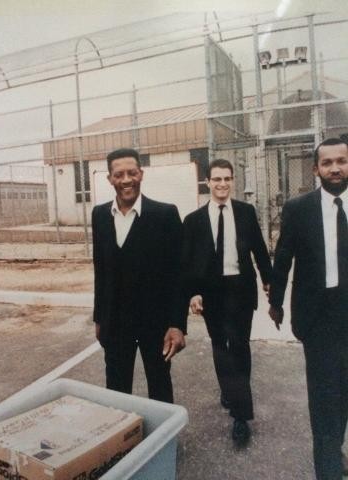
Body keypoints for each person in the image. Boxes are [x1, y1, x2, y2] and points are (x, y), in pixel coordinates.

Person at [269, 138, 348, 479]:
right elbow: (284, 257)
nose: (335, 168)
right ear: (315, 169)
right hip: (320, 319)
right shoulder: (298, 209)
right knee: (324, 401)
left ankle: (337, 450)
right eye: (327, 162)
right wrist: (275, 303)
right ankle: (328, 469)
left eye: (341, 161)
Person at [181, 158, 272, 445]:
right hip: (211, 292)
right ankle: (230, 389)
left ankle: (241, 416)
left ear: (233, 181)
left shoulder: (245, 212)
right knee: (221, 346)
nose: (222, 184)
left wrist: (270, 283)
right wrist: (192, 293)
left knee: (241, 345)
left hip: (240, 288)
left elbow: (259, 249)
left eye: (227, 179)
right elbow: (187, 262)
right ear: (207, 182)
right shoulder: (194, 220)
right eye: (216, 179)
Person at [92, 147, 186, 403]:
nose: (126, 180)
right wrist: (99, 318)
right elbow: (100, 270)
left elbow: (178, 275)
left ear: (141, 174)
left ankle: (164, 440)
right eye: (119, 174)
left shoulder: (165, 215)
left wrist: (177, 324)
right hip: (115, 323)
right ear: (109, 178)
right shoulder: (100, 215)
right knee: (117, 389)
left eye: (131, 173)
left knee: (159, 387)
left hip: (155, 323)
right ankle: (122, 441)